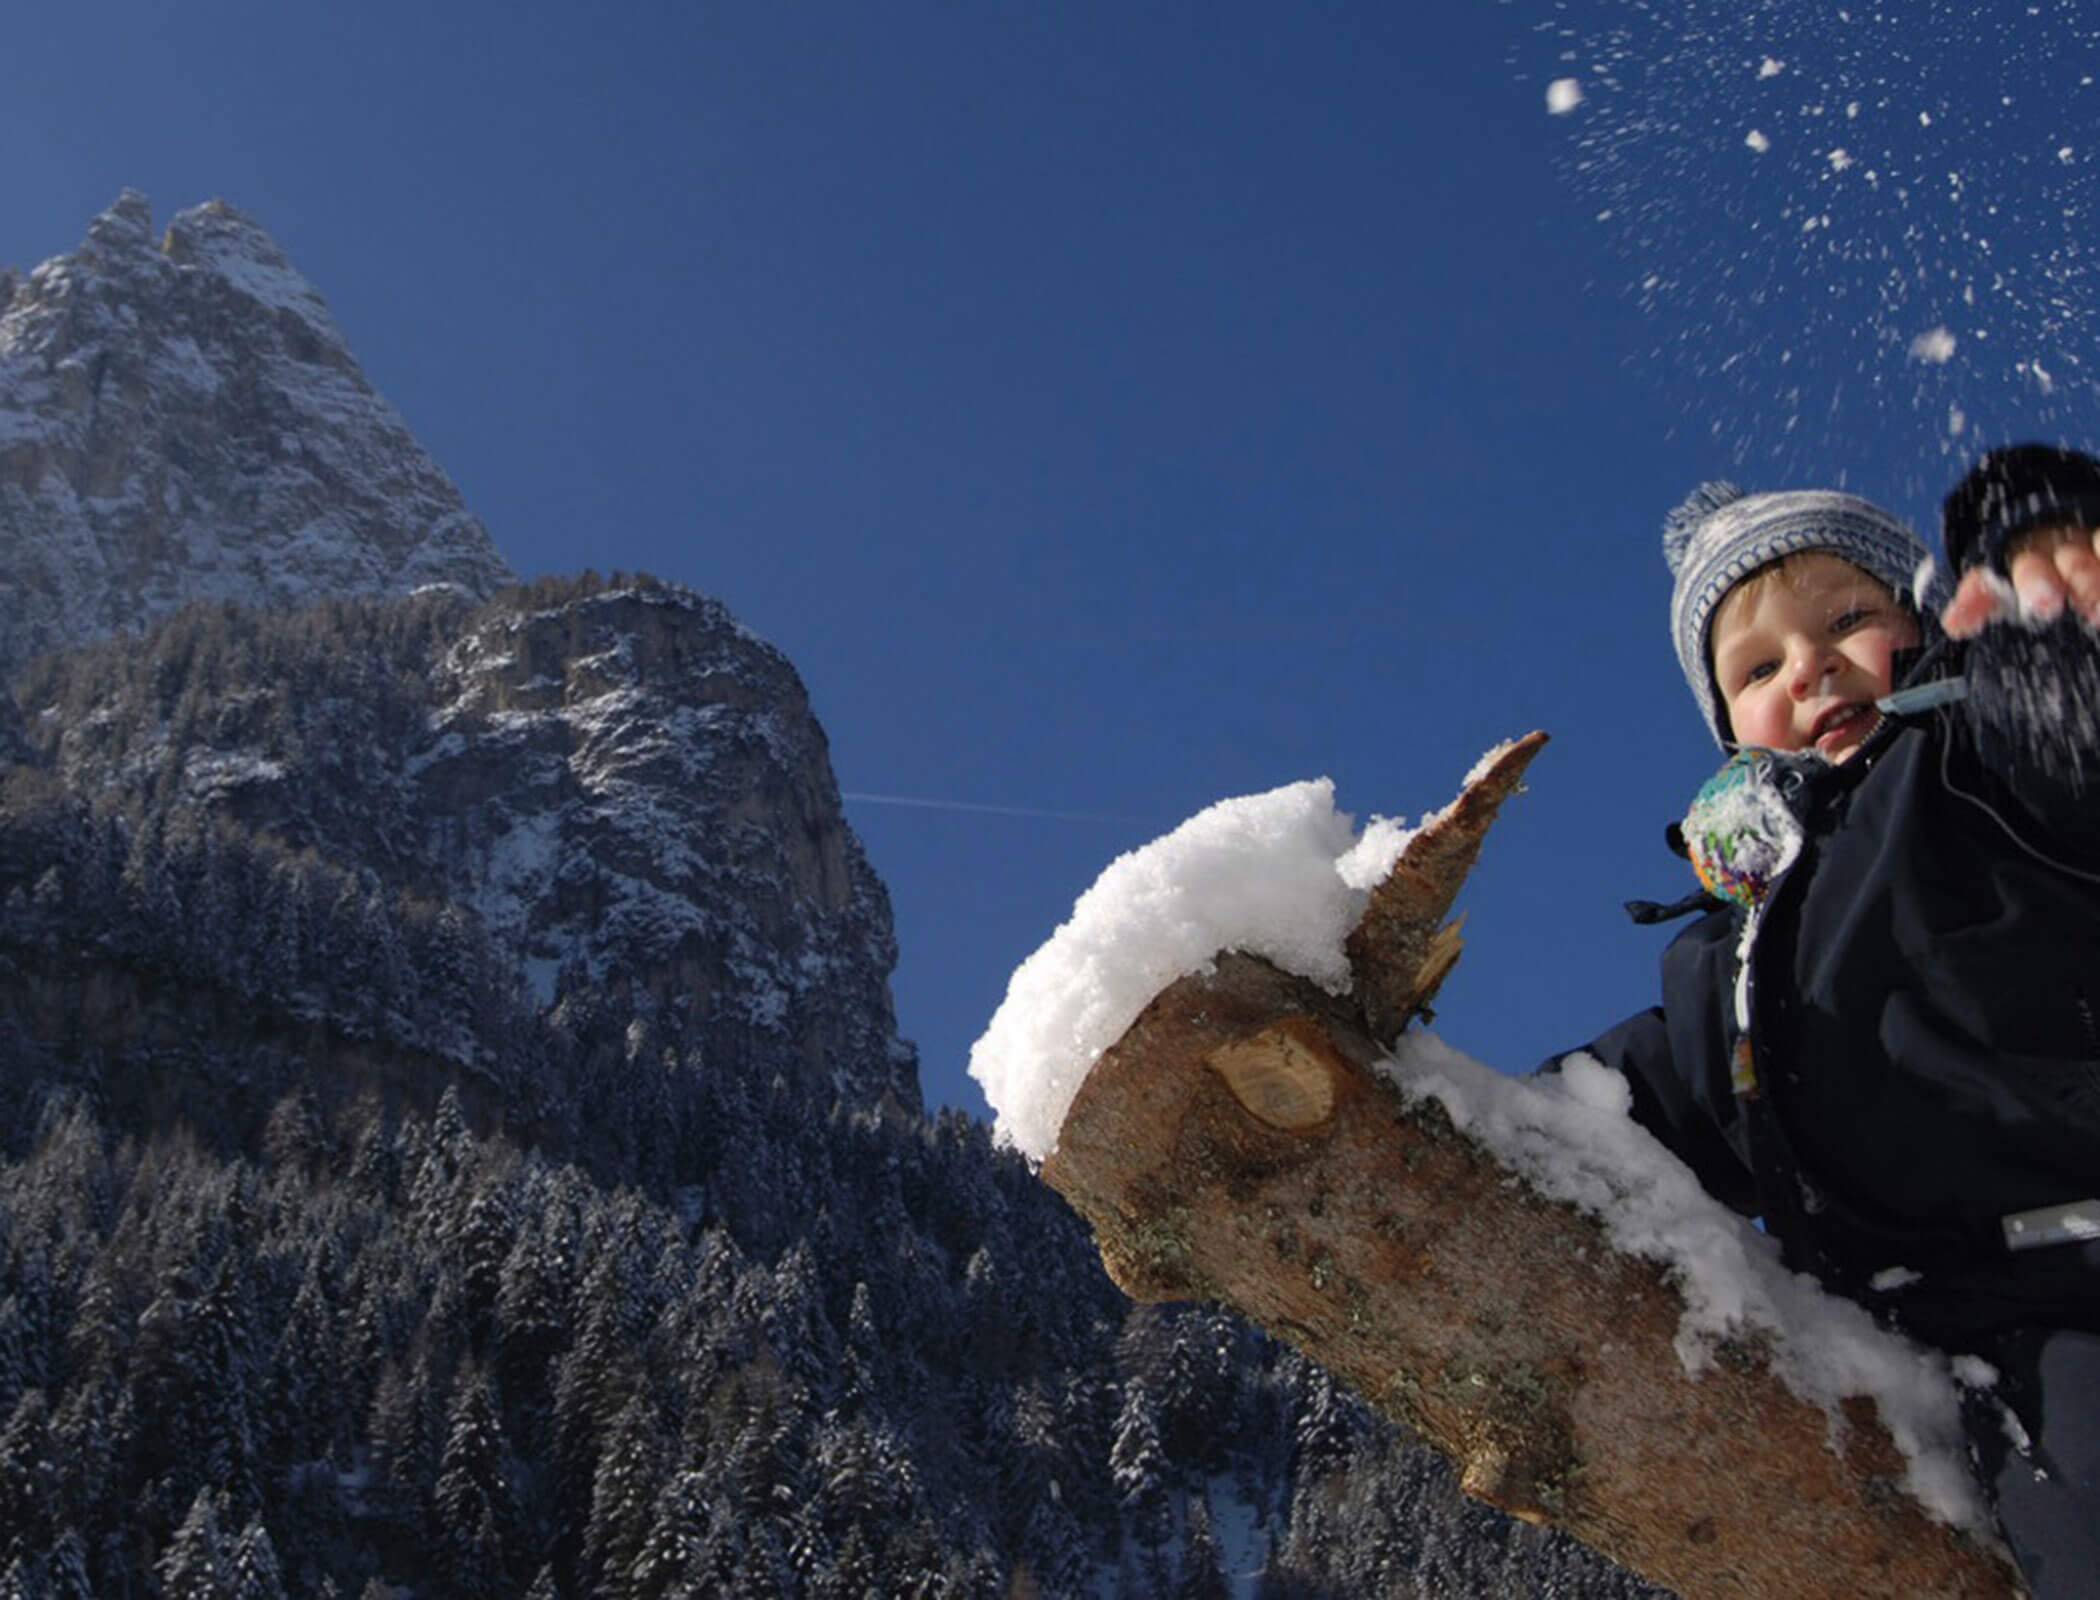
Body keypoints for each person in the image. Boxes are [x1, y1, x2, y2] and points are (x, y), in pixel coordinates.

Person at [1565, 445, 2100, 1596]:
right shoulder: (1736, 964)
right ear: (1730, 731)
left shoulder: (1985, 774)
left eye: (1849, 616)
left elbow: (2070, 715)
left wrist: (2038, 552)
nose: (1809, 666)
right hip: (1919, 1363)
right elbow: (1603, 1118)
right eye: (1757, 665)